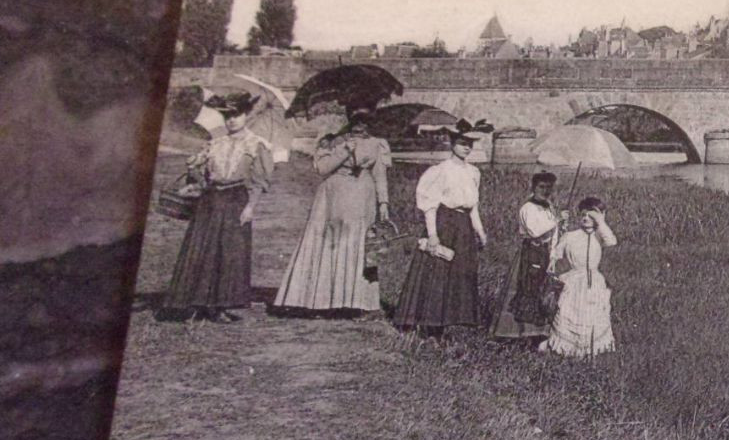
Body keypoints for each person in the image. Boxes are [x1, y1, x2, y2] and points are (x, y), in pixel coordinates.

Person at [163, 92, 272, 322]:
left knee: (229, 252)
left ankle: (220, 306)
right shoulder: (215, 143)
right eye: (227, 116)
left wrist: (250, 208)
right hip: (210, 201)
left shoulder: (256, 145)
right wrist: (193, 167)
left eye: (236, 115)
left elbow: (259, 181)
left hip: (235, 199)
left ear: (245, 116)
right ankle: (195, 303)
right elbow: (199, 176)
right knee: (202, 249)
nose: (231, 120)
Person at [272, 109, 392, 316]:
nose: (360, 127)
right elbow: (322, 169)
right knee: (330, 244)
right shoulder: (333, 141)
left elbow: (380, 174)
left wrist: (383, 202)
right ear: (349, 121)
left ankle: (356, 303)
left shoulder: (377, 143)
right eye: (356, 122)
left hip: (362, 199)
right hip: (332, 200)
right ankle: (322, 301)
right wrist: (344, 150)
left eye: (365, 122)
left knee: (358, 246)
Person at [393, 125, 488, 333]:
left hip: (464, 227)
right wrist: (433, 234)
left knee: (461, 274)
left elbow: (473, 207)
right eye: (462, 143)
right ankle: (430, 326)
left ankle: (451, 323)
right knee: (438, 273)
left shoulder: (474, 172)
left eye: (469, 144)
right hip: (444, 222)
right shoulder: (440, 170)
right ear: (452, 143)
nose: (466, 148)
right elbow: (430, 204)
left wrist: (480, 232)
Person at [544, 197, 618, 357]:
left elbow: (612, 241)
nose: (586, 218)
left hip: (594, 280)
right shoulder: (571, 236)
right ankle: (568, 348)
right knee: (570, 310)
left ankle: (591, 348)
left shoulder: (600, 235)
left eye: (591, 216)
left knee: (592, 312)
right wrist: (553, 260)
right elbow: (556, 252)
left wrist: (600, 220)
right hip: (574, 279)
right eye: (583, 214)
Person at [490, 172, 561, 340]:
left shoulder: (549, 207)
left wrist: (553, 255)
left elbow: (554, 235)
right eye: (541, 187)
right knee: (526, 289)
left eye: (549, 188)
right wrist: (556, 220)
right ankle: (513, 334)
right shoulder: (527, 208)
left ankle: (537, 334)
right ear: (533, 187)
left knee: (542, 290)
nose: (545, 191)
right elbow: (534, 231)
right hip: (530, 254)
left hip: (544, 253)